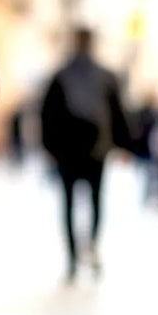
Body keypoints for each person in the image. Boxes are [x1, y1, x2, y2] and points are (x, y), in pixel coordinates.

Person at [39, 27, 130, 280]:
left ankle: (72, 258)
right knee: (96, 200)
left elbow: (47, 114)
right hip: (96, 150)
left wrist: (48, 148)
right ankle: (91, 244)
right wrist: (124, 145)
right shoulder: (105, 76)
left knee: (67, 203)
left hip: (66, 152)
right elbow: (118, 113)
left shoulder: (60, 76)